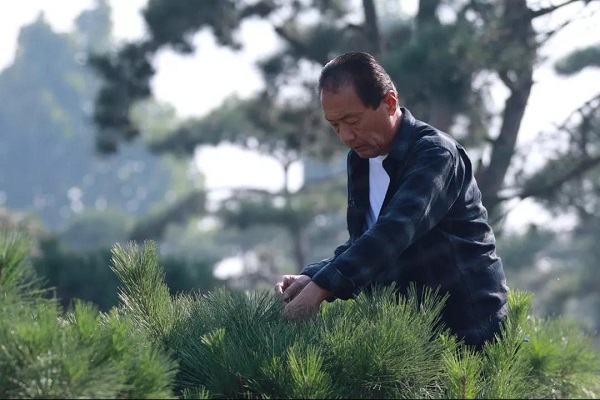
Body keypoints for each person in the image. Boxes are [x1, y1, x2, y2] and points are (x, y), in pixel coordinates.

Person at [273, 51, 509, 349]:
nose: (346, 135)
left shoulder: (436, 154)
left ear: (390, 102)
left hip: (471, 337)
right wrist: (311, 277)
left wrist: (322, 287)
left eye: (352, 120)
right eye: (335, 126)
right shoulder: (360, 160)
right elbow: (365, 241)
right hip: (407, 341)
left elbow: (394, 233)